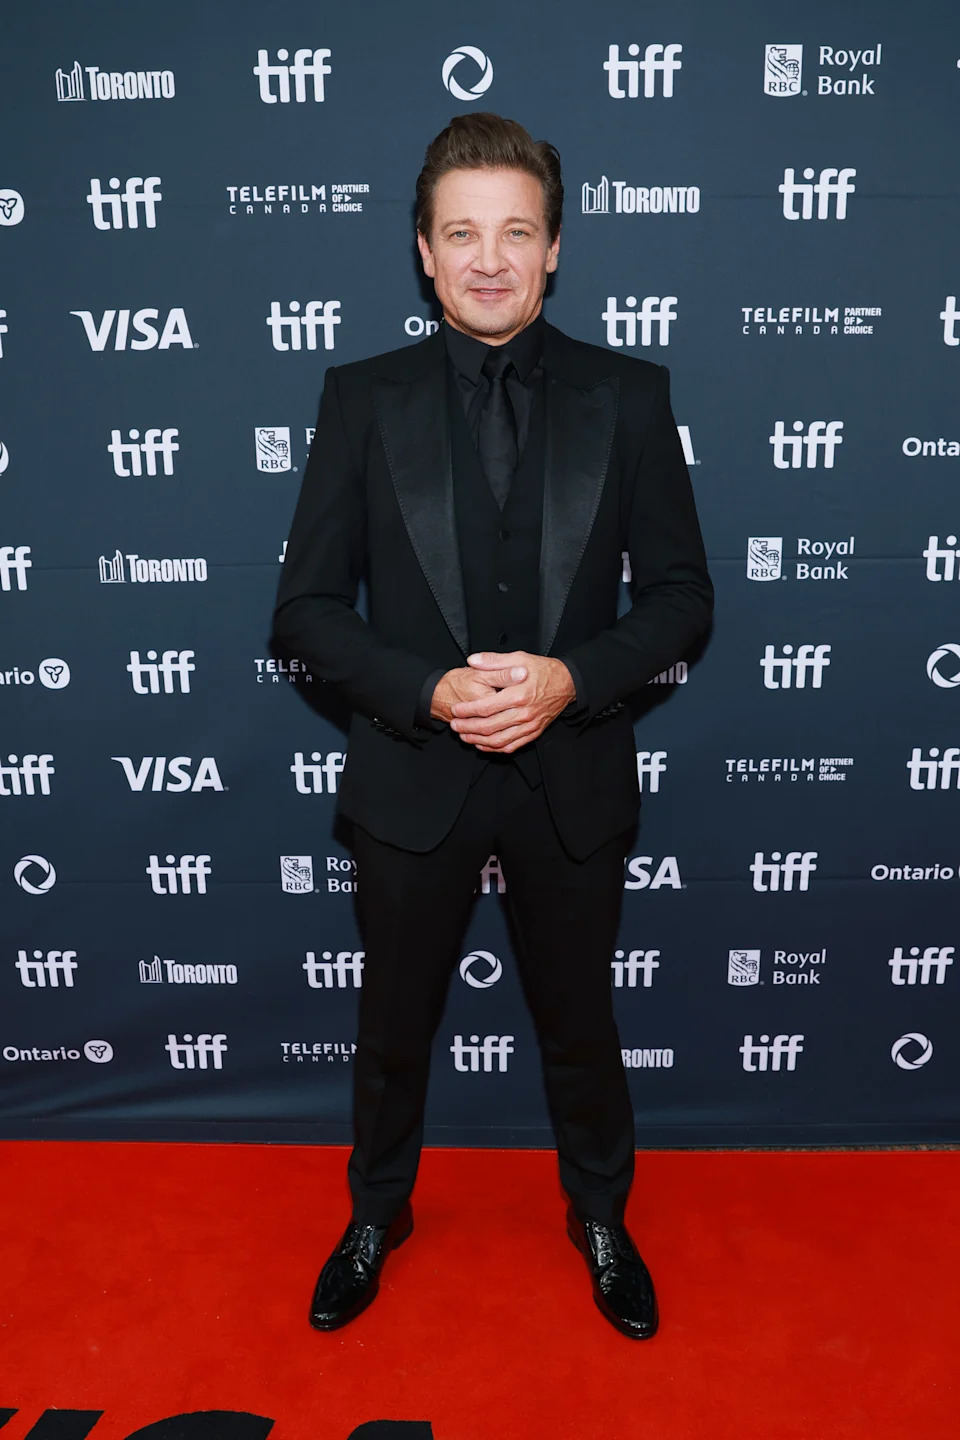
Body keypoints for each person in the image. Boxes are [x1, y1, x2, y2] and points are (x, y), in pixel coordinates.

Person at [272, 112, 713, 1339]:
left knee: (582, 1026)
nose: (488, 260)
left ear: (555, 247)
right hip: (412, 775)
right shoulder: (361, 398)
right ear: (423, 251)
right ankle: (376, 1213)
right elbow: (305, 609)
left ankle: (601, 1217)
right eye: (461, 234)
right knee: (391, 1030)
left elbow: (683, 598)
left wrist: (571, 679)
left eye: (515, 233)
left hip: (571, 775)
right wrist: (426, 690)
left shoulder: (630, 396)